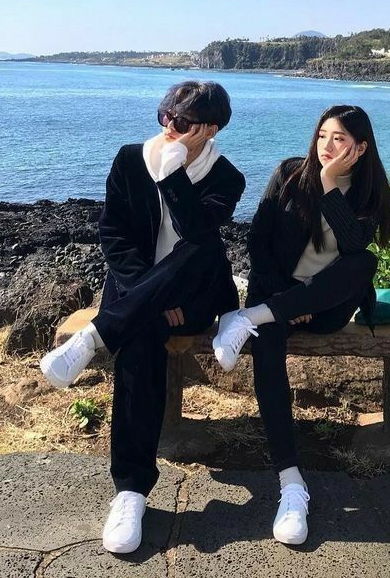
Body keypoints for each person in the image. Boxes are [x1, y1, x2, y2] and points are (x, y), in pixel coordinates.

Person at [40, 80, 245, 554]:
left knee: (202, 244)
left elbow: (199, 236)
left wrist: (174, 172)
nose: (169, 128)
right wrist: (146, 295)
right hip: (136, 294)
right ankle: (131, 491)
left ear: (210, 129)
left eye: (183, 123)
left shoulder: (226, 177)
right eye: (165, 117)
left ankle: (92, 338)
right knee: (138, 341)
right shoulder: (131, 159)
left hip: (193, 299)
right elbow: (113, 233)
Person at [212, 104, 390, 546]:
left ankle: (247, 319)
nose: (327, 147)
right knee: (269, 358)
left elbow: (354, 246)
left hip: (325, 308)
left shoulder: (371, 195)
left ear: (361, 147)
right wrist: (283, 303)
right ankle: (292, 483)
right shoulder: (289, 174)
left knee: (363, 263)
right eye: (322, 137)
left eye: (340, 139)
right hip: (277, 293)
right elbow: (259, 239)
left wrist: (331, 187)